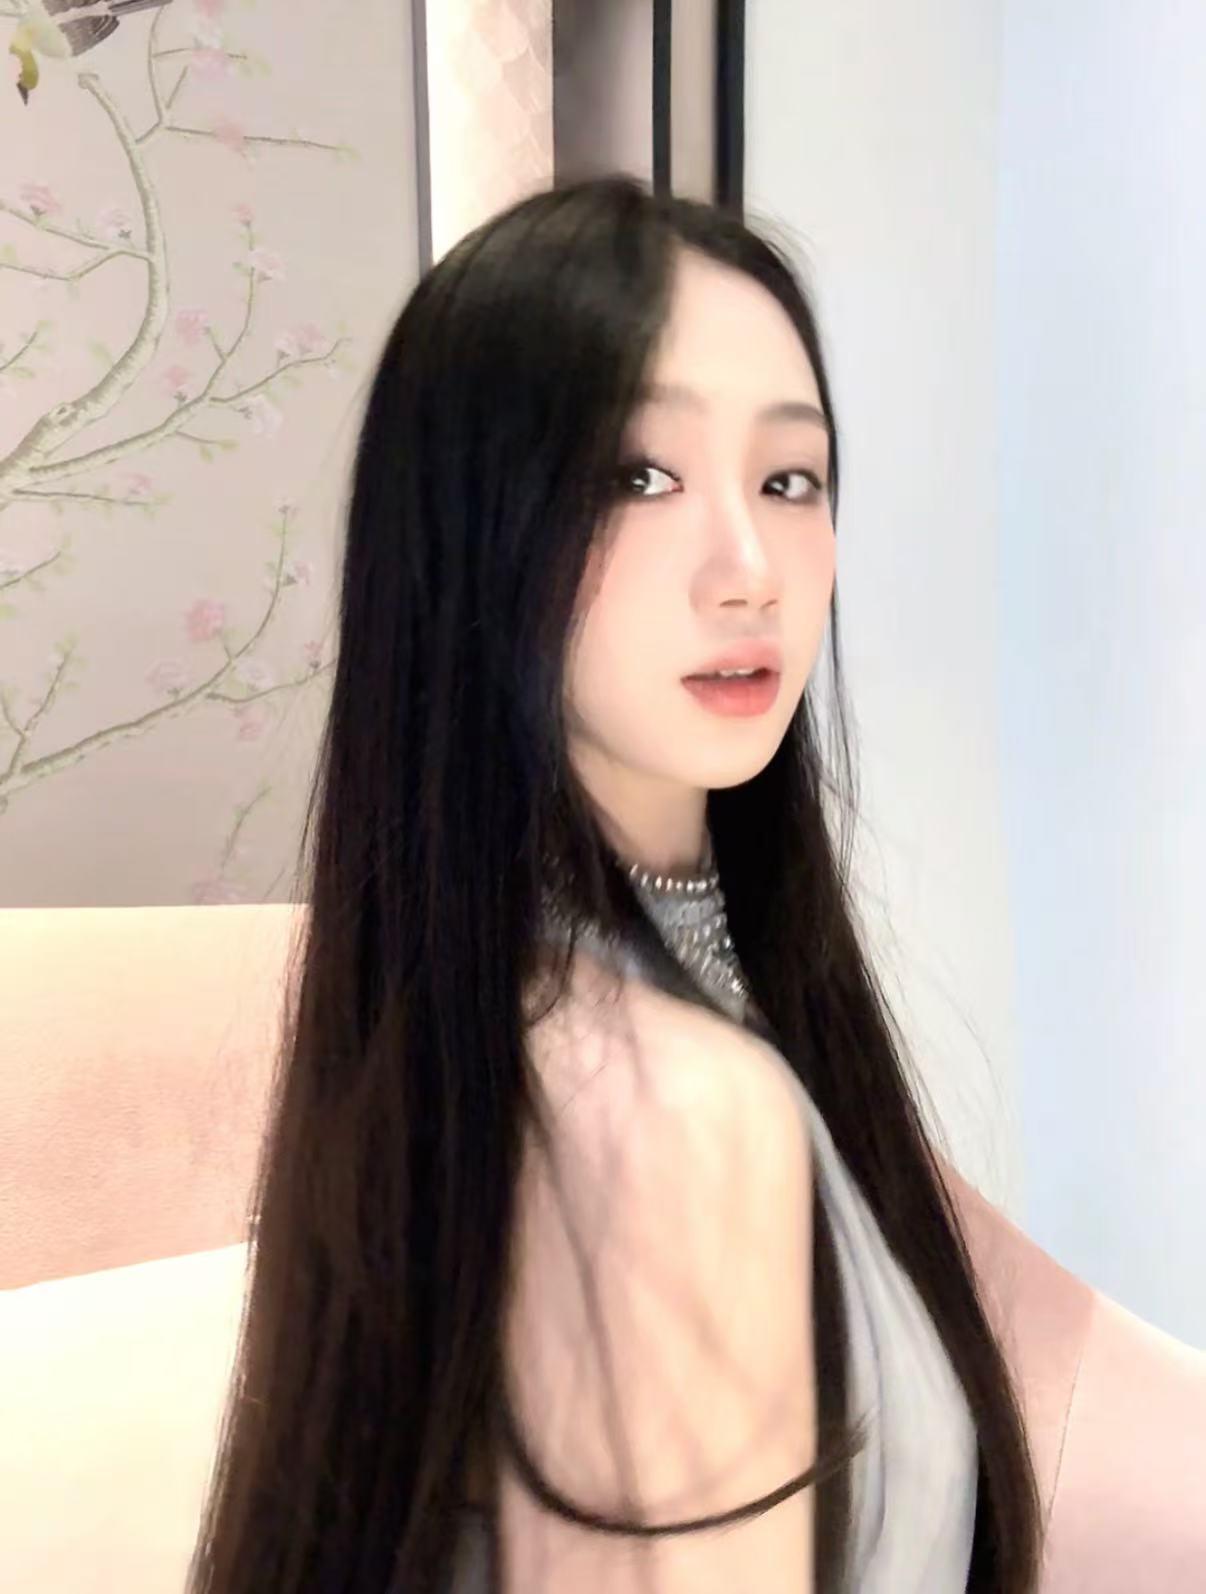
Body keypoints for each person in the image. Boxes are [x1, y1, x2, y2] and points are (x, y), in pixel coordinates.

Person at [185, 176, 1205, 1594]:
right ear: (470, 526)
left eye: (789, 481)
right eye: (637, 475)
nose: (749, 571)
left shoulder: (592, 1017)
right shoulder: (659, 1106)